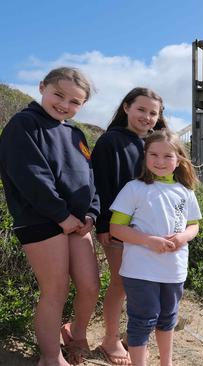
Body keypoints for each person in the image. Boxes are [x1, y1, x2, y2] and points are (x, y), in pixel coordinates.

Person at [0, 67, 100, 366]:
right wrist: (62, 215)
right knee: (55, 288)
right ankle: (51, 357)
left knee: (90, 285)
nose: (65, 105)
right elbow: (31, 177)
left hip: (77, 222)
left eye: (75, 102)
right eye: (59, 95)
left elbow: (89, 178)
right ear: (42, 87)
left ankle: (75, 335)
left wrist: (92, 213)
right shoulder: (24, 124)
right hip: (40, 219)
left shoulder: (75, 133)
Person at [109, 130, 201, 366]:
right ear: (145, 156)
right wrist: (149, 241)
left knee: (168, 318)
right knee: (143, 319)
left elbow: (194, 226)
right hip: (140, 270)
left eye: (167, 156)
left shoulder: (186, 191)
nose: (160, 161)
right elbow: (116, 229)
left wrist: (183, 237)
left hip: (174, 270)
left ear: (179, 159)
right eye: (154, 155)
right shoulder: (134, 188)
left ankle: (166, 362)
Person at [91, 87, 168, 365]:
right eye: (141, 109)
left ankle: (131, 337)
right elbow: (100, 185)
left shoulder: (153, 146)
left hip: (150, 229)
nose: (146, 117)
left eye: (153, 113)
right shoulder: (110, 141)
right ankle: (110, 340)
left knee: (143, 284)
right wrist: (103, 225)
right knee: (122, 283)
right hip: (119, 228)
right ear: (126, 107)